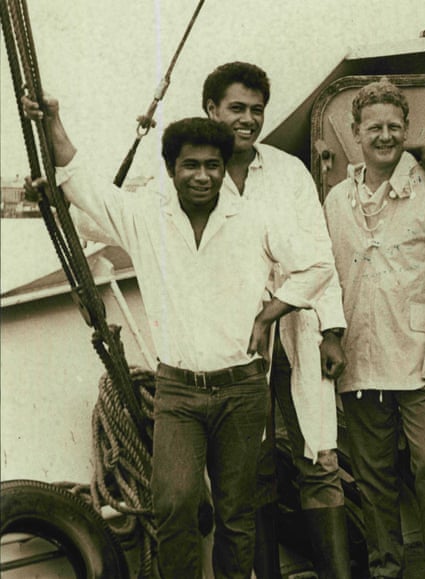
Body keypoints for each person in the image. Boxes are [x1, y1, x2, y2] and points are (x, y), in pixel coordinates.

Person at [23, 94, 336, 578]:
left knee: (237, 514)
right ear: (172, 170)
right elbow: (81, 180)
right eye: (191, 165)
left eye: (213, 165)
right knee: (174, 506)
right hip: (178, 392)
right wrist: (53, 119)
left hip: (242, 390)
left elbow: (317, 265)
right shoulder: (146, 219)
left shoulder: (253, 219)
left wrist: (269, 314)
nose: (203, 176)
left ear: (222, 169)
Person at [198, 61, 351, 579]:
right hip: (234, 343)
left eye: (256, 110)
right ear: (211, 110)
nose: (247, 119)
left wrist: (332, 330)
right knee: (252, 467)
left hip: (298, 329)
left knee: (320, 457)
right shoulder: (195, 175)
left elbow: (320, 254)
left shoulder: (288, 172)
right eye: (236, 108)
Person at [324, 78, 425, 579]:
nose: (384, 136)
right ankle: (386, 566)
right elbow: (327, 276)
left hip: (421, 356)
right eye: (374, 128)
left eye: (393, 126)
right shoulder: (336, 199)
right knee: (373, 475)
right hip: (361, 356)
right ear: (356, 133)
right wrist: (331, 337)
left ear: (407, 129)